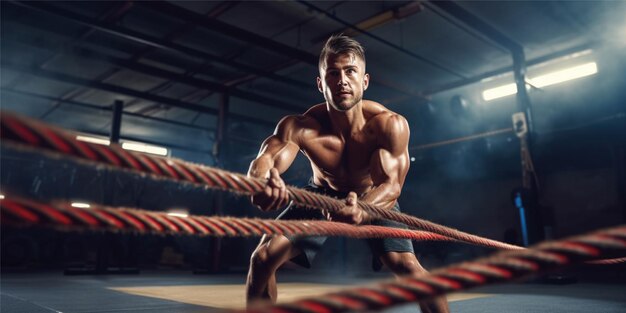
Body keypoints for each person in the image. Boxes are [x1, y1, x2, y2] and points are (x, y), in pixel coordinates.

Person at [246, 34, 449, 313]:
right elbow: (265, 159)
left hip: (373, 196)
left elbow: (392, 185)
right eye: (333, 73)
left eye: (350, 71)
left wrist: (364, 209)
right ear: (321, 83)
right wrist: (261, 182)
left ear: (364, 81)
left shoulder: (388, 125)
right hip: (320, 195)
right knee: (262, 258)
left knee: (407, 267)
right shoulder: (300, 127)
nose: (342, 80)